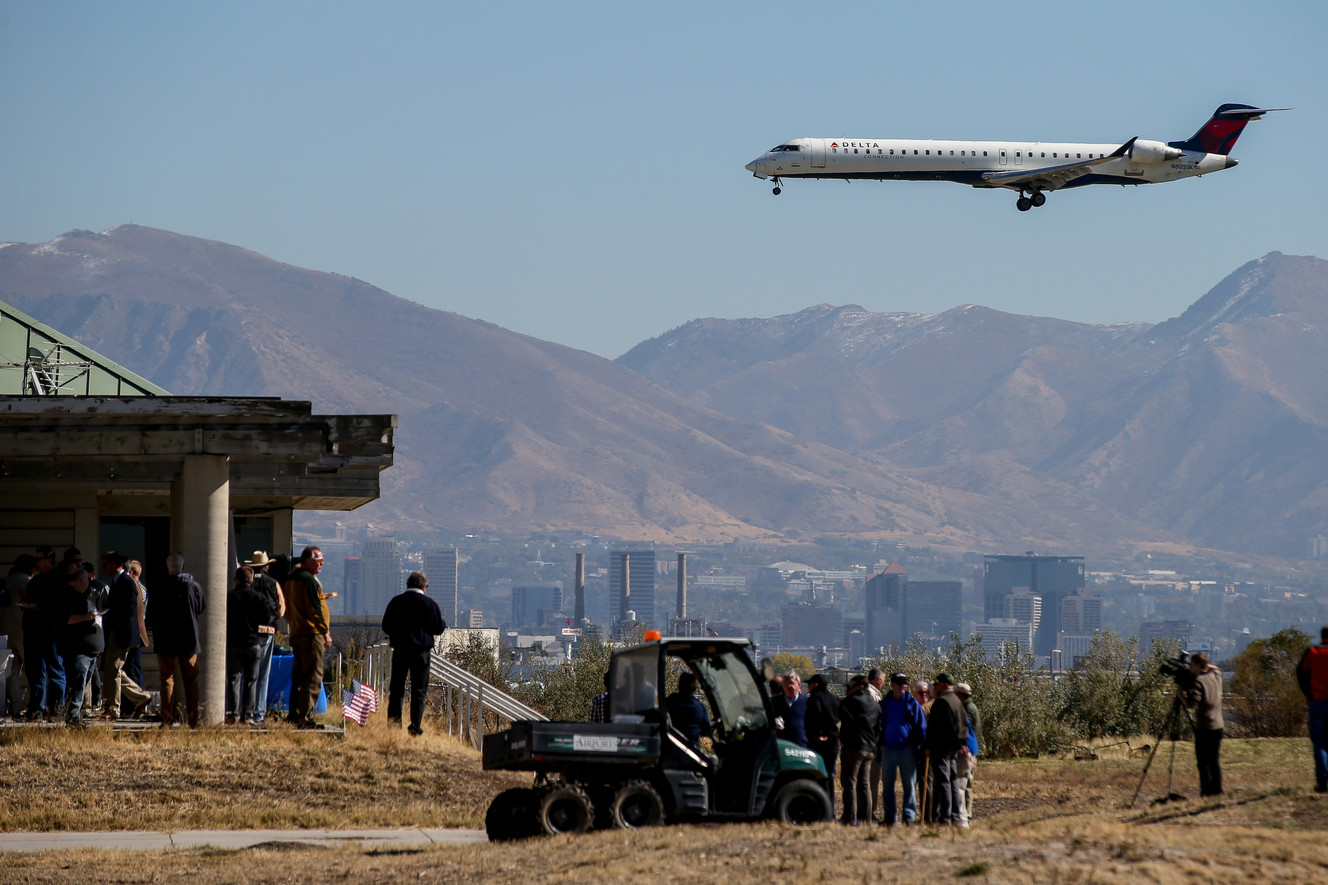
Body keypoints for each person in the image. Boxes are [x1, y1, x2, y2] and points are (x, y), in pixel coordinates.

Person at [382, 570, 447, 736]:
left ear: (407, 584)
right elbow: (438, 628)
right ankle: (415, 727)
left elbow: (386, 626)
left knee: (396, 689)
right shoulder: (429, 604)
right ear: (425, 586)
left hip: (401, 650)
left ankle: (394, 726)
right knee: (419, 690)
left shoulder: (396, 602)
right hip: (421, 652)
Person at [147, 552, 206, 728]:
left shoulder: (159, 586)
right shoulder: (194, 586)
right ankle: (193, 719)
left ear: (168, 567)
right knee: (191, 679)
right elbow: (201, 606)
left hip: (165, 639)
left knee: (166, 678)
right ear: (183, 566)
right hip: (189, 639)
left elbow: (152, 613)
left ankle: (167, 718)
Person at [98, 551, 151, 720]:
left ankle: (113, 709)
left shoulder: (126, 582)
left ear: (115, 564)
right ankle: (141, 697)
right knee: (114, 671)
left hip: (121, 635)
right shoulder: (117, 582)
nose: (104, 568)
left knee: (114, 670)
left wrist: (124, 636)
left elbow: (129, 612)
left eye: (106, 564)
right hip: (115, 633)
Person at [284, 546, 331, 729]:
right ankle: (305, 717)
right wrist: (324, 631)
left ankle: (294, 714)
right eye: (318, 561)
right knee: (313, 676)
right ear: (308, 561)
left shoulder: (291, 578)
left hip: (296, 632)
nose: (321, 564)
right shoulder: (308, 580)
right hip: (311, 634)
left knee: (298, 677)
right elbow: (314, 609)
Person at [53, 559, 103, 728]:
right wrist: (84, 618)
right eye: (81, 578)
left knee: (83, 681)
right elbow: (63, 619)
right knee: (77, 681)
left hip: (92, 647)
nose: (85, 580)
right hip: (76, 647)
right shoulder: (65, 595)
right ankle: (73, 716)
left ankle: (75, 713)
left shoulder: (92, 592)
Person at [226, 566, 276, 725]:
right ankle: (248, 716)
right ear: (251, 580)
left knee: (234, 679)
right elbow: (267, 618)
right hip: (253, 643)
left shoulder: (229, 597)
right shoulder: (259, 598)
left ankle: (233, 714)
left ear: (237, 579)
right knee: (251, 680)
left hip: (233, 643)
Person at [21, 546, 65, 720]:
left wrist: (37, 606)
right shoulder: (36, 580)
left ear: (49, 559)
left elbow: (58, 605)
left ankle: (57, 709)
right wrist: (25, 600)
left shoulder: (59, 579)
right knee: (35, 671)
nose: (36, 563)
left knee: (55, 670)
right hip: (33, 632)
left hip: (51, 632)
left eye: (39, 560)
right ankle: (37, 708)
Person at [880, 672, 927, 825]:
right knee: (887, 786)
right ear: (893, 684)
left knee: (910, 786)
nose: (903, 686)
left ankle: (908, 817)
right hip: (888, 750)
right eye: (900, 683)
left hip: (907, 751)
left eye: (905, 683)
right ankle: (890, 817)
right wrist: (880, 742)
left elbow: (921, 728)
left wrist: (914, 743)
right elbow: (877, 726)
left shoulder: (912, 704)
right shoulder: (884, 704)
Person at [245, 552, 285, 725]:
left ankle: (244, 711)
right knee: (262, 674)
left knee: (247, 674)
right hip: (267, 632)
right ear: (267, 566)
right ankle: (259, 714)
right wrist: (272, 618)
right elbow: (282, 608)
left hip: (248, 633)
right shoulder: (273, 583)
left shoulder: (249, 582)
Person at [926, 672, 968, 826]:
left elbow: (945, 727)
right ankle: (955, 815)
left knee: (943, 782)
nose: (934, 687)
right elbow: (963, 725)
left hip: (942, 748)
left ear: (944, 684)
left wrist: (929, 745)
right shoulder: (956, 700)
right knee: (952, 781)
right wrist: (960, 744)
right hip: (952, 749)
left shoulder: (942, 702)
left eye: (936, 684)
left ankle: (946, 818)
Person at [838, 674, 880, 825]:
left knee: (850, 782)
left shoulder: (851, 701)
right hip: (869, 748)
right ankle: (867, 819)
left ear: (860, 686)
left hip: (853, 747)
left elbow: (841, 715)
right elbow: (879, 726)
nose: (849, 689)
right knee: (865, 784)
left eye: (851, 686)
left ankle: (850, 818)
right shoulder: (875, 704)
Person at [1180, 652, 1223, 797]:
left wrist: (1181, 695)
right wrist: (1203, 665)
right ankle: (1217, 790)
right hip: (1218, 726)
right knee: (1214, 760)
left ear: (1198, 665)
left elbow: (1191, 704)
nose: (1189, 667)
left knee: (1203, 762)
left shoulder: (1199, 682)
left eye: (1191, 664)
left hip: (1205, 727)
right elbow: (1216, 668)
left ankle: (1206, 792)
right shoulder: (1216, 676)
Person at [2, 555, 34, 718]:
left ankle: (16, 706)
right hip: (24, 631)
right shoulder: (29, 583)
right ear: (30, 569)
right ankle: (34, 705)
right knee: (33, 670)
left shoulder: (5, 582)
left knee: (11, 672)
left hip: (4, 632)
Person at [1298, 627, 1328, 793]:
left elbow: (1300, 673)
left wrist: (1308, 693)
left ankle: (1323, 781)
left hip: (1317, 701)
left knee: (1319, 743)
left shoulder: (1312, 652)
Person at [805, 674, 841, 812]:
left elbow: (815, 717)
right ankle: (830, 809)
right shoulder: (833, 699)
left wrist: (818, 734)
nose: (808, 687)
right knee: (829, 776)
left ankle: (819, 809)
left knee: (817, 776)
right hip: (833, 741)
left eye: (810, 684)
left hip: (818, 742)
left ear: (815, 685)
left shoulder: (814, 698)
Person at [954, 682, 982, 827]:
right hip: (972, 750)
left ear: (960, 695)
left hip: (968, 752)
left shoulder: (967, 709)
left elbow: (965, 730)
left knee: (966, 784)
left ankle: (967, 813)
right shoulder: (970, 706)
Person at [665, 671, 712, 749]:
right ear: (694, 689)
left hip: (670, 749)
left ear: (679, 686)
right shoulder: (700, 707)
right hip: (692, 752)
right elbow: (706, 731)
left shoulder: (669, 701)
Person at [771, 671, 808, 747]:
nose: (789, 686)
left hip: (801, 746)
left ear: (798, 685)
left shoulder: (807, 702)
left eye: (792, 683)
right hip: (780, 746)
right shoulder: (775, 702)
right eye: (786, 683)